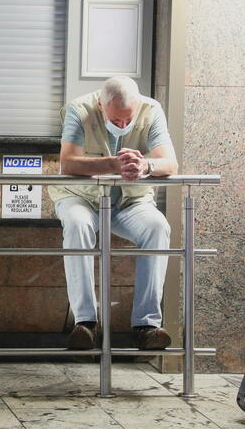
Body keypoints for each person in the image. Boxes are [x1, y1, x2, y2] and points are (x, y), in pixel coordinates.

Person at [47, 76, 178, 350]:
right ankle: (86, 323)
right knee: (77, 225)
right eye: (116, 120)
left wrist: (146, 166)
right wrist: (115, 164)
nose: (122, 125)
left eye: (127, 120)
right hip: (80, 198)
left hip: (130, 202)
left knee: (158, 227)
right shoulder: (78, 109)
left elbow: (170, 163)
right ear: (100, 104)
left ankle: (146, 325)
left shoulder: (151, 110)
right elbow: (67, 163)